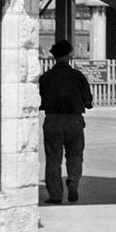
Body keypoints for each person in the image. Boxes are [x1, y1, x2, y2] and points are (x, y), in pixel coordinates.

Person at [38, 39, 93, 204]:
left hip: (52, 119)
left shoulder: (45, 78)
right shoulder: (78, 76)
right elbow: (88, 101)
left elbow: (41, 97)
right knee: (75, 155)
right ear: (70, 54)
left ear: (53, 56)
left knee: (53, 159)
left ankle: (55, 195)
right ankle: (73, 180)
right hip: (74, 121)